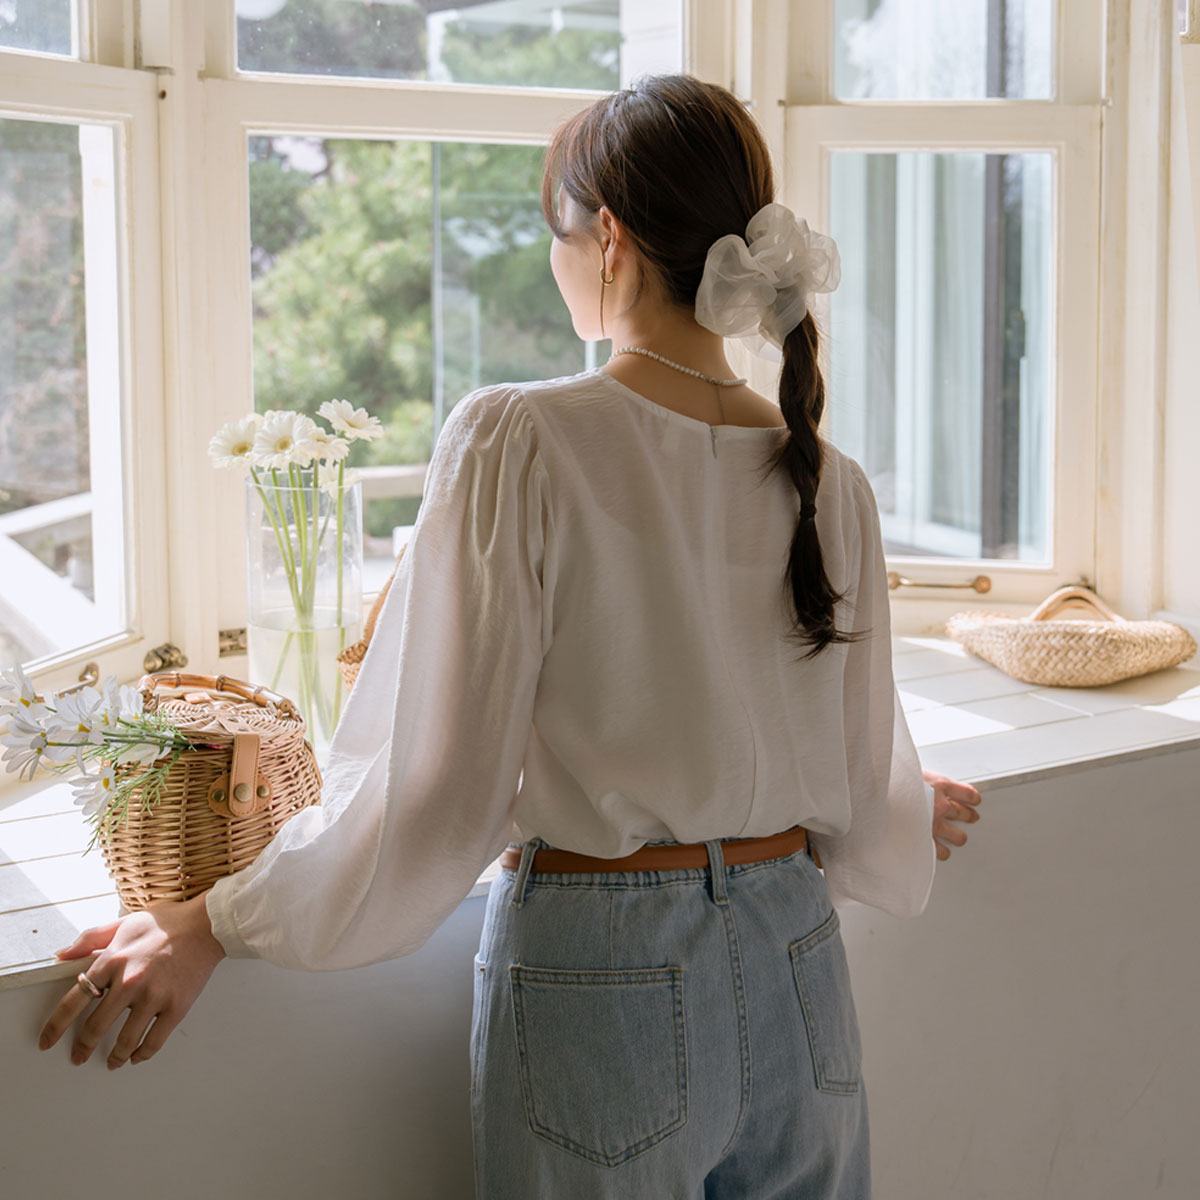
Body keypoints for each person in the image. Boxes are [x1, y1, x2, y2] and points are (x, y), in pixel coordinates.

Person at [37, 73, 982, 1198]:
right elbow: (856, 783)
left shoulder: (522, 440)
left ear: (610, 236)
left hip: (607, 976)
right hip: (798, 965)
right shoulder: (832, 479)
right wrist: (890, 812)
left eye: (555, 231)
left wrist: (209, 920)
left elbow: (437, 791)